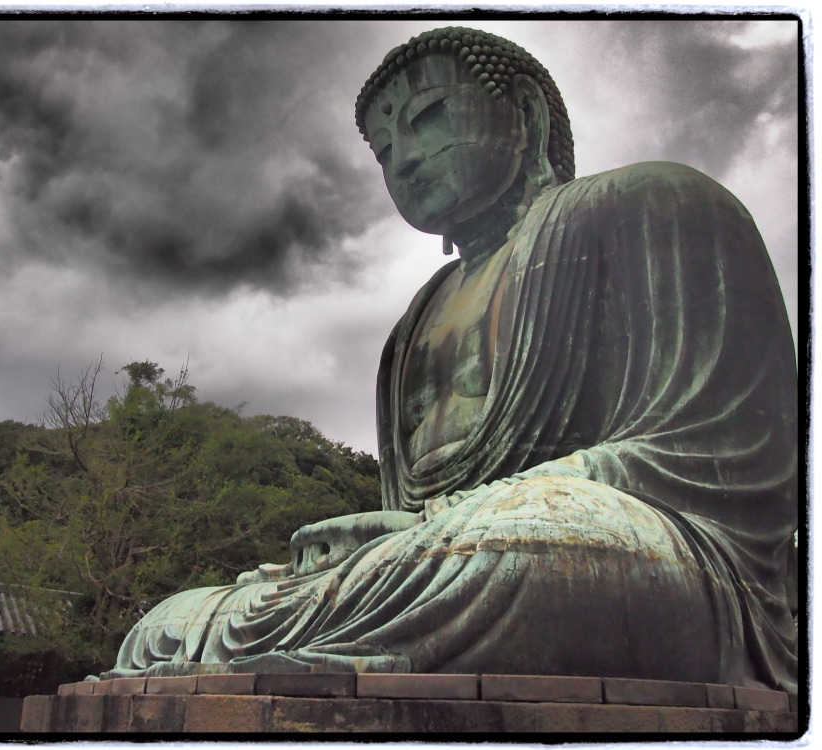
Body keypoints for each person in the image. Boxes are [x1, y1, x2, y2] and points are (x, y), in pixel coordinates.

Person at [99, 27, 797, 693]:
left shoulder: (653, 204)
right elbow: (407, 520)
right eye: (383, 150)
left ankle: (371, 625)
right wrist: (379, 543)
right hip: (439, 557)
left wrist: (480, 513)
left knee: (520, 549)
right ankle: (327, 640)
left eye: (429, 117)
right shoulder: (414, 323)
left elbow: (730, 456)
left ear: (524, 115)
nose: (403, 159)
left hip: (634, 555)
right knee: (168, 623)